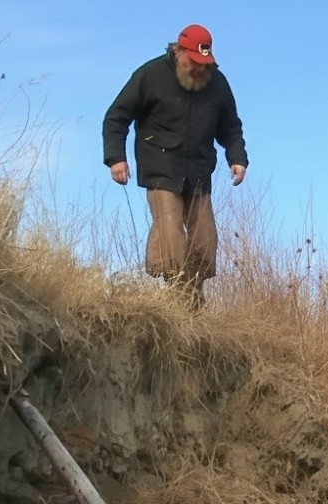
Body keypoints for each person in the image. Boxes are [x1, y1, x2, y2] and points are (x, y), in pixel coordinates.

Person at [103, 24, 249, 308]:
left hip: (198, 170)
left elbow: (230, 127)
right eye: (193, 61)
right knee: (170, 232)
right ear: (179, 51)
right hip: (160, 166)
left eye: (203, 63)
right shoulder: (150, 75)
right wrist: (116, 157)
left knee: (206, 241)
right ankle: (178, 298)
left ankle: (193, 294)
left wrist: (237, 158)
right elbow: (116, 117)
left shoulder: (217, 82)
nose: (198, 68)